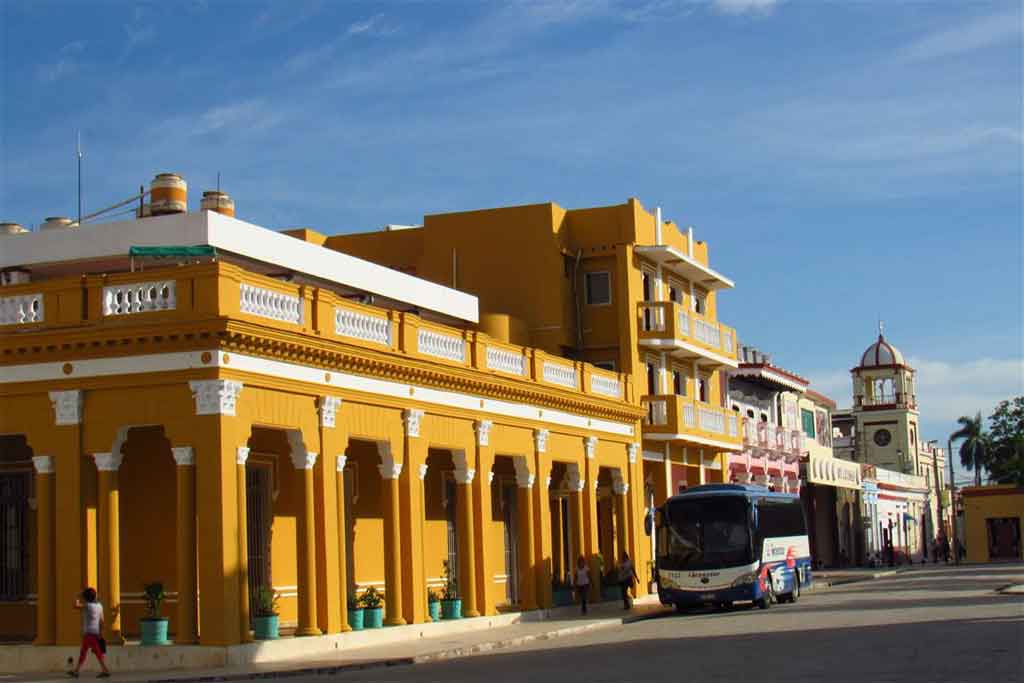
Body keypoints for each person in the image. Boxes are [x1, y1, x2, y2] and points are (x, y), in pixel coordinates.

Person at [69, 587, 110, 678]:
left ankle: (105, 670)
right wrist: (100, 633)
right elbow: (102, 621)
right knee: (89, 652)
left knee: (93, 653)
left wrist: (78, 596)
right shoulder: (99, 606)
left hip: (88, 634)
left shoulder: (87, 606)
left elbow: (75, 605)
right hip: (95, 633)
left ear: (86, 597)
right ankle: (76, 671)